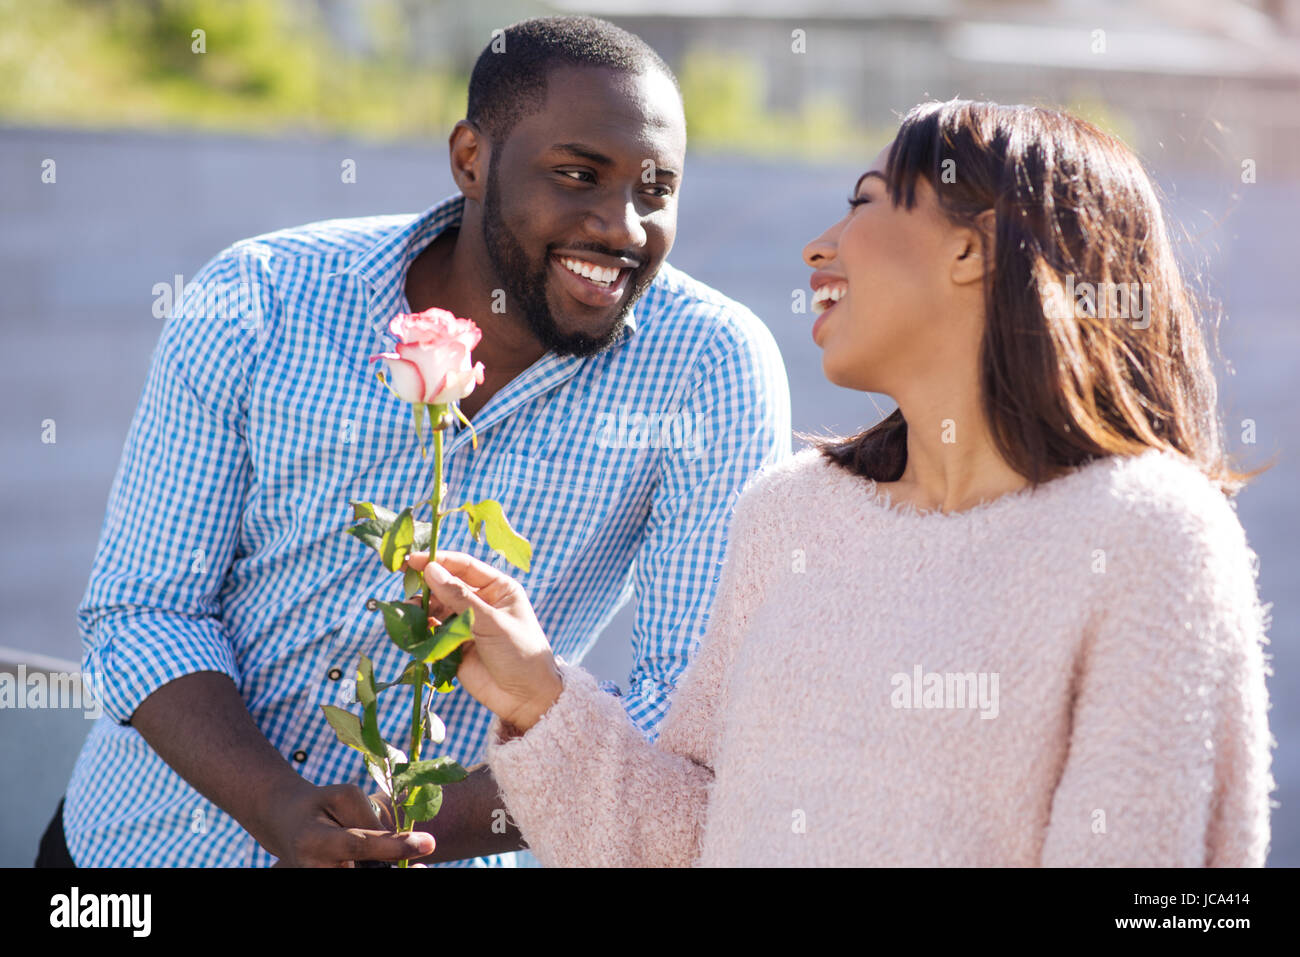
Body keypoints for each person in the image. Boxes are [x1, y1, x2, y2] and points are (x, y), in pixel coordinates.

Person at [401, 99, 1276, 866]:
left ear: (974, 247)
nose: (820, 246)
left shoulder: (1148, 534)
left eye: (865, 200)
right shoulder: (791, 515)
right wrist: (539, 697)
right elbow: (693, 840)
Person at [40, 16, 790, 868]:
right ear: (471, 158)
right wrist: (278, 806)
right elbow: (146, 608)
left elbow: (688, 707)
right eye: (578, 174)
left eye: (656, 189)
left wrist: (408, 839)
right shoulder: (259, 296)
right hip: (140, 855)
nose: (623, 226)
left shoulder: (709, 366)